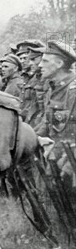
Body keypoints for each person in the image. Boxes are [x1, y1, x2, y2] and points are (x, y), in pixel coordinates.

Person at [37, 40, 76, 199]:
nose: (40, 65)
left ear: (59, 63)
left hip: (71, 162)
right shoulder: (53, 89)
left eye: (45, 61)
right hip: (56, 158)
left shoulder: (73, 90)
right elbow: (48, 123)